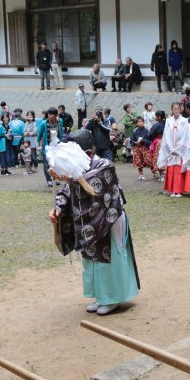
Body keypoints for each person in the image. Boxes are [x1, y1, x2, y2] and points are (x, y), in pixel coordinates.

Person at [49, 129, 139, 316]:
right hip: (88, 222)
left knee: (110, 256)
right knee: (92, 258)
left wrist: (69, 177)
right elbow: (67, 191)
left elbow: (92, 185)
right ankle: (100, 296)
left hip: (109, 219)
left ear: (89, 152)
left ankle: (113, 298)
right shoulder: (78, 169)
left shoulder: (104, 165)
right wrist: (58, 208)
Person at [157, 102, 188, 197]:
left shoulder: (184, 120)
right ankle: (172, 190)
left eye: (177, 109)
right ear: (172, 110)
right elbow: (166, 135)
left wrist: (178, 149)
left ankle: (179, 190)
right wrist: (170, 149)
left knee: (179, 170)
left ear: (180, 109)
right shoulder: (168, 121)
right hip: (170, 149)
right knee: (171, 170)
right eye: (174, 109)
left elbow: (185, 136)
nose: (176, 110)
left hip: (179, 150)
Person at [37, 107, 64, 187]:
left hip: (56, 146)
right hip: (47, 146)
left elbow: (61, 133)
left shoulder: (60, 121)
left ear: (56, 115)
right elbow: (39, 135)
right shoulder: (44, 123)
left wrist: (61, 143)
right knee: (47, 164)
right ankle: (49, 179)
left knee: (56, 163)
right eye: (48, 114)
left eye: (51, 114)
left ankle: (55, 178)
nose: (49, 116)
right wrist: (40, 146)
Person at [147, 110, 166, 181]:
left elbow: (150, 135)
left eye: (156, 115)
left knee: (158, 157)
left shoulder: (156, 125)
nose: (155, 117)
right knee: (165, 157)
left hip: (158, 142)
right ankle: (165, 174)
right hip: (166, 142)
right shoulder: (167, 123)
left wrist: (152, 139)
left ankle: (162, 175)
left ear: (159, 117)